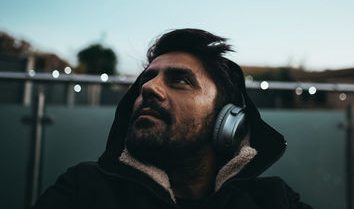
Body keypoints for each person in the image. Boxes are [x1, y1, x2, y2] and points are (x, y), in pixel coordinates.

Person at [33, 28, 313, 209]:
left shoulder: (275, 200)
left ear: (228, 120)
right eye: (148, 78)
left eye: (179, 80)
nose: (148, 88)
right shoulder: (84, 188)